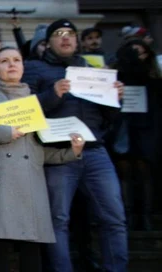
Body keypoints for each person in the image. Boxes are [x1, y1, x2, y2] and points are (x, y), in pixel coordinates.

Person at [22, 19, 127, 272]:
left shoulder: (91, 69)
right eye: (59, 34)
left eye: (70, 33)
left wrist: (115, 99)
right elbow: (24, 112)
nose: (66, 38)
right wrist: (51, 95)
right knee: (58, 220)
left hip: (95, 151)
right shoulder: (34, 69)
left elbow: (109, 119)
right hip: (58, 154)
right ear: (48, 41)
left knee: (114, 219)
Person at [0, 47, 85, 272]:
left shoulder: (35, 101)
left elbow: (38, 150)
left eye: (17, 60)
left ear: (23, 66)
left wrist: (73, 151)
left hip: (31, 184)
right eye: (4, 61)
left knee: (32, 256)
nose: (12, 64)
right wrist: (3, 133)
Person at [109, 39, 162, 231]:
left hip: (147, 130)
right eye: (132, 53)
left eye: (140, 53)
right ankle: (129, 215)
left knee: (144, 171)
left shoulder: (153, 80)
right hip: (122, 128)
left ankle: (145, 216)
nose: (136, 57)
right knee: (124, 172)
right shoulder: (117, 77)